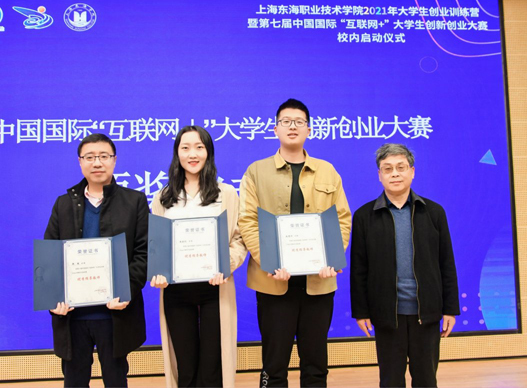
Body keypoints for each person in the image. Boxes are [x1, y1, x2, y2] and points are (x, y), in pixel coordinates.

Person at [239, 98, 352, 387]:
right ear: (275, 129)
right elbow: (247, 221)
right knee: (274, 365)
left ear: (309, 129)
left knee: (315, 364)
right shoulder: (256, 171)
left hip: (319, 282)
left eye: (299, 122)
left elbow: (342, 219)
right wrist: (270, 262)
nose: (292, 127)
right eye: (286, 121)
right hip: (273, 282)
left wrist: (332, 258)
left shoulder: (327, 171)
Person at [350, 143, 460, 388]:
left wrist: (450, 309)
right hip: (387, 313)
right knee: (390, 380)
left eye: (401, 167)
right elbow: (359, 270)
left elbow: (446, 263)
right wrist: (361, 312)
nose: (395, 174)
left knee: (426, 379)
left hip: (427, 312)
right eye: (387, 169)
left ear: (412, 171)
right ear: (379, 175)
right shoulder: (364, 216)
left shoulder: (434, 212)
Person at [44, 133, 148, 387]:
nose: (97, 163)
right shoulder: (63, 204)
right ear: (80, 162)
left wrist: (125, 291)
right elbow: (49, 258)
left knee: (115, 380)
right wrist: (52, 298)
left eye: (104, 156)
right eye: (90, 157)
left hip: (115, 314)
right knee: (74, 381)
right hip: (72, 316)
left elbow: (144, 253)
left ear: (114, 160)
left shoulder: (134, 201)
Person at [149, 125, 248, 388]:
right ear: (177, 153)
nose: (192, 154)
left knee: (212, 369)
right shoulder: (162, 197)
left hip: (215, 288)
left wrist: (226, 265)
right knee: (186, 368)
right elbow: (156, 245)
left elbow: (239, 239)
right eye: (185, 148)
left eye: (199, 147)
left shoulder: (226, 194)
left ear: (208, 152)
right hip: (176, 291)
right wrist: (158, 271)